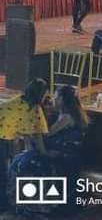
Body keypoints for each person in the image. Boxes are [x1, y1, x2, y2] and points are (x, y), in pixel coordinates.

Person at [8, 84, 88, 216]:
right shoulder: (59, 115)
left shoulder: (67, 117)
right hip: (55, 150)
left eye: (55, 96)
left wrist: (29, 126)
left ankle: (39, 206)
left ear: (62, 99)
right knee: (21, 160)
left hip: (65, 155)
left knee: (32, 164)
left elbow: (47, 134)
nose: (52, 99)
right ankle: (25, 203)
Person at [0, 79, 53, 210]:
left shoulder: (19, 100)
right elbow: (37, 134)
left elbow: (25, 132)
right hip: (2, 138)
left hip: (4, 136)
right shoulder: (33, 109)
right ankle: (3, 204)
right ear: (41, 94)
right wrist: (44, 153)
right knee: (2, 172)